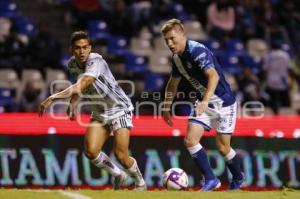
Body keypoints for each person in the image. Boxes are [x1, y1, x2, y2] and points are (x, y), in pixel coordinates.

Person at [38, 31, 146, 191]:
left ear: (90, 48)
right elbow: (80, 83)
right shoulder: (72, 64)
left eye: (85, 47)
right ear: (71, 50)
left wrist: (53, 97)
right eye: (77, 48)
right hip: (99, 112)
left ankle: (140, 182)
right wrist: (73, 103)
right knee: (91, 151)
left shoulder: (96, 60)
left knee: (121, 155)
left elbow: (85, 82)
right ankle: (118, 175)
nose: (82, 51)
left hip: (119, 109)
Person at [161, 19, 244, 191]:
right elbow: (173, 83)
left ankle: (238, 176)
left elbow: (213, 76)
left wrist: (206, 100)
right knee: (190, 140)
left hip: (223, 102)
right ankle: (211, 179)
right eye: (166, 40)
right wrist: (166, 106)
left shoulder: (197, 50)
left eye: (172, 38)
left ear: (182, 35)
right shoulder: (177, 58)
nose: (169, 43)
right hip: (203, 101)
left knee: (223, 147)